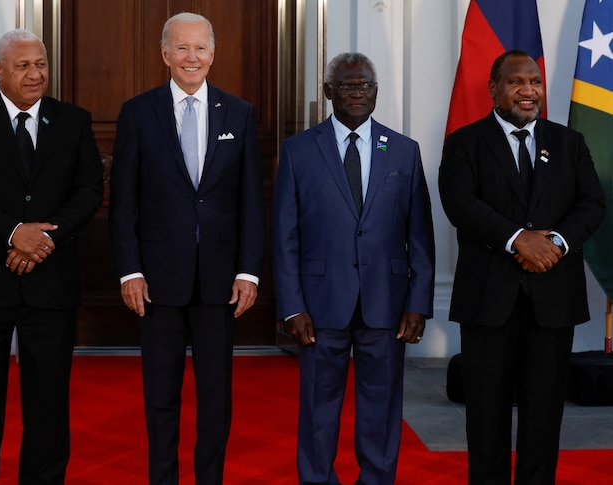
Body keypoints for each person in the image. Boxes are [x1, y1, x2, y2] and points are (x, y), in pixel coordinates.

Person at [108, 12, 264, 485]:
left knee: (216, 394)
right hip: (157, 281)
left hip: (221, 281)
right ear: (164, 54)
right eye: (181, 47)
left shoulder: (239, 112)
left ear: (213, 54)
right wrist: (129, 271)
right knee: (161, 394)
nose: (191, 57)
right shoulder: (138, 112)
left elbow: (251, 201)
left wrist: (249, 271)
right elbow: (123, 203)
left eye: (199, 48)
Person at [0, 29, 103, 484]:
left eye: (41, 64)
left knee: (48, 401)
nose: (35, 74)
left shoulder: (74, 121)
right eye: (23, 65)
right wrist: (15, 233)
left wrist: (41, 242)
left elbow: (89, 191)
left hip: (50, 285)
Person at [439, 49, 605, 485]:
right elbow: (460, 204)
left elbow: (592, 204)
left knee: (544, 413)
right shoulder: (464, 143)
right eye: (516, 82)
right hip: (488, 300)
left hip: (552, 297)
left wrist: (556, 243)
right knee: (486, 412)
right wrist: (519, 240)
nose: (528, 91)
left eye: (534, 81)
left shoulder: (570, 142)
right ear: (494, 88)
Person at [272, 52, 435, 485]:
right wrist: (290, 307)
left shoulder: (404, 149)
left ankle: (376, 479)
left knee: (381, 406)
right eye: (347, 85)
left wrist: (418, 302)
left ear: (376, 92)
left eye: (365, 85)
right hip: (319, 305)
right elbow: (284, 237)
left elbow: (419, 236)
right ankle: (317, 478)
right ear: (329, 92)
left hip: (386, 303)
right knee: (317, 405)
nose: (358, 92)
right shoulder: (297, 151)